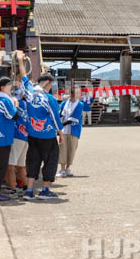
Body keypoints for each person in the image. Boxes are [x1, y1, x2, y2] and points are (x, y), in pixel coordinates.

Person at [20, 71, 62, 200]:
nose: (51, 88)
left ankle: (29, 190)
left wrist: (21, 62)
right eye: (51, 85)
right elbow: (55, 117)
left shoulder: (29, 94)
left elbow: (24, 79)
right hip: (47, 135)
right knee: (51, 161)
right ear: (48, 83)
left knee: (33, 160)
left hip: (32, 134)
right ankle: (45, 190)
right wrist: (61, 133)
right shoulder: (49, 98)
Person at [59, 85, 86, 177]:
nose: (78, 94)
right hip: (64, 131)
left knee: (72, 149)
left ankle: (68, 168)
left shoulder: (80, 104)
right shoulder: (63, 104)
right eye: (76, 92)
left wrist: (60, 125)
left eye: (79, 92)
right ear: (71, 94)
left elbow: (74, 118)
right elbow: (59, 115)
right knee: (62, 149)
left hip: (74, 130)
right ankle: (62, 169)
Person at [6, 87, 29, 196]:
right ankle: (27, 188)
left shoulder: (15, 103)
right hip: (25, 137)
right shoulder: (26, 104)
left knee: (10, 167)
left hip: (16, 137)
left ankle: (13, 190)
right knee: (21, 166)